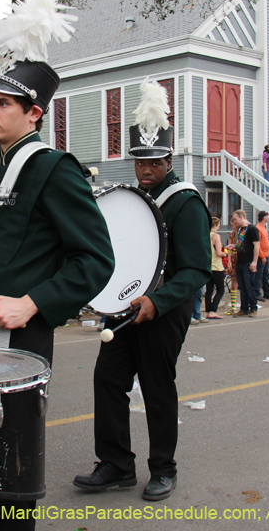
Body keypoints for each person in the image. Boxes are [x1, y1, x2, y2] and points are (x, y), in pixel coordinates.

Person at [0, 0, 114, 529]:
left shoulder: (54, 168)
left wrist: (31, 303)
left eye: (3, 104)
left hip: (20, 340)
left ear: (34, 113)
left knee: (8, 471)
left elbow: (95, 260)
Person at [75, 79, 210, 502]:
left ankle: (164, 468)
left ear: (168, 160)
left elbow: (196, 270)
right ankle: (116, 463)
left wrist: (157, 301)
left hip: (164, 310)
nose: (146, 170)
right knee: (108, 379)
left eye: (153, 162)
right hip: (124, 308)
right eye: (140, 163)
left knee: (156, 386)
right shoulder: (132, 200)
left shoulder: (186, 202)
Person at [228, 210, 259, 317]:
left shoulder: (252, 229)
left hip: (248, 261)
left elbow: (256, 245)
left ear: (241, 217)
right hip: (240, 261)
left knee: (249, 285)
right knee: (242, 286)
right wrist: (234, 246)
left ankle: (253, 308)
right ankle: (244, 308)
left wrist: (254, 261)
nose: (234, 222)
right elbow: (240, 244)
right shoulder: (241, 230)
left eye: (235, 219)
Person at [205, 217, 226, 319]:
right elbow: (219, 253)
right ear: (215, 225)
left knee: (209, 290)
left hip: (208, 265)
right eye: (218, 226)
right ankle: (213, 310)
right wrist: (225, 253)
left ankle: (208, 310)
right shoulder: (216, 236)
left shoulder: (205, 235)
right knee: (220, 289)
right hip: (217, 267)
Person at [255, 211, 269, 301]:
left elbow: (266, 241)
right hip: (261, 256)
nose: (268, 218)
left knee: (266, 275)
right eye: (267, 216)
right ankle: (256, 293)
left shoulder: (263, 228)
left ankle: (267, 292)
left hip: (265, 255)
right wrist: (262, 256)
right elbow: (257, 244)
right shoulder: (258, 228)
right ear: (264, 218)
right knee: (259, 275)